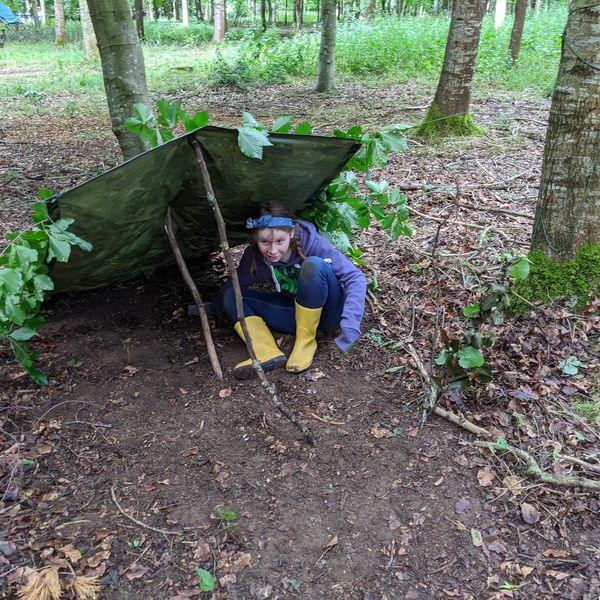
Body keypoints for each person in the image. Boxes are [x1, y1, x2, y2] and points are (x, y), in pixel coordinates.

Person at [209, 202, 367, 380]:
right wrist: (211, 308)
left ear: (291, 233)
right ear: (255, 238)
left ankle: (305, 343)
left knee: (313, 265)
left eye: (280, 241)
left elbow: (355, 277)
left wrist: (350, 321)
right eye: (264, 242)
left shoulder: (312, 244)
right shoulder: (254, 257)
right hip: (296, 316)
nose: (273, 250)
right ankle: (265, 352)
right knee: (234, 294)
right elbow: (234, 284)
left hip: (329, 312)